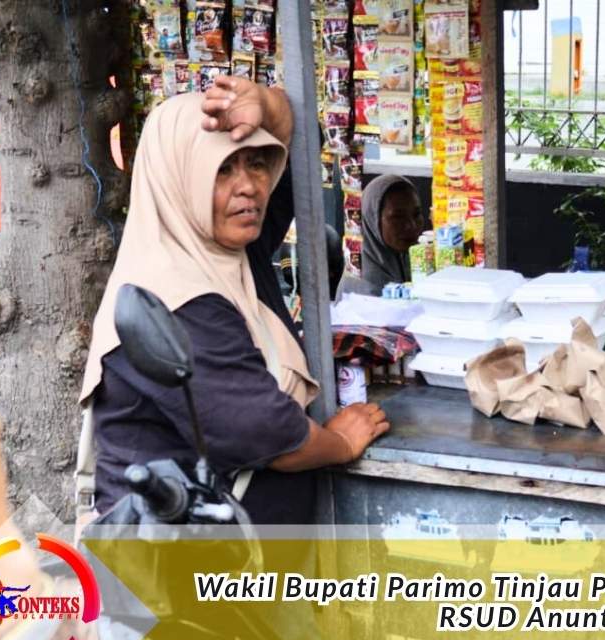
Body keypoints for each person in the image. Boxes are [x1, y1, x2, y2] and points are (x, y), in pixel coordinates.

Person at [80, 78, 389, 524]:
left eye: (256, 164)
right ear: (179, 179)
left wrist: (266, 103)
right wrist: (339, 443)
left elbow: (299, 146)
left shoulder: (232, 252)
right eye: (222, 170)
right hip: (181, 573)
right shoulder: (177, 294)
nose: (248, 187)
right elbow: (267, 434)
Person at [335, 174, 425, 298]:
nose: (411, 225)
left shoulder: (405, 258)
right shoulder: (364, 286)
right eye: (397, 217)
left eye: (417, 214)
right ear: (373, 219)